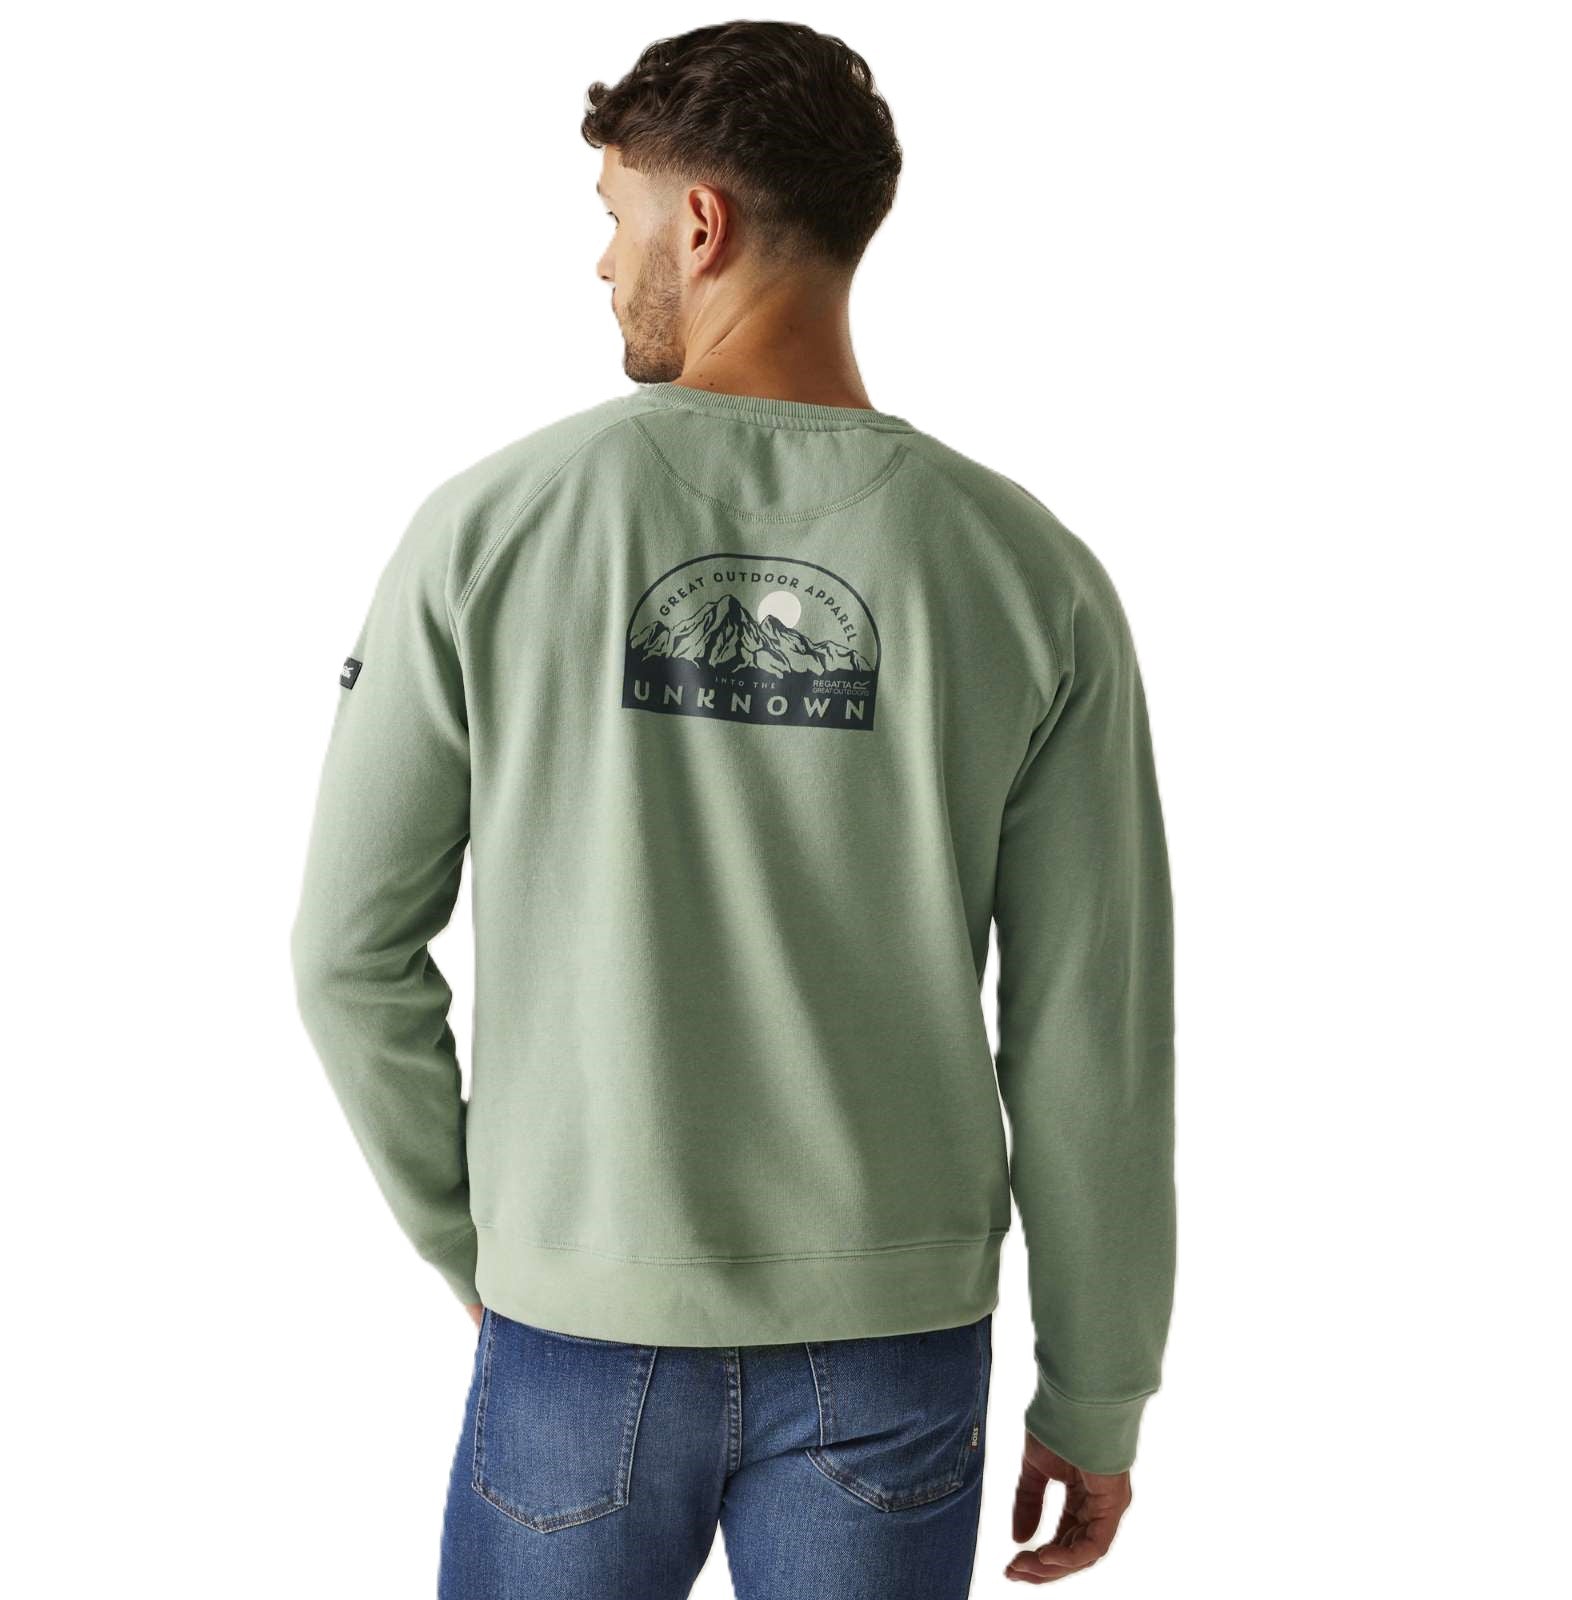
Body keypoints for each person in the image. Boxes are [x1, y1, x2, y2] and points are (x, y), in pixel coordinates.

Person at [289, 20, 1176, 1599]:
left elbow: (348, 957)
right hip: (891, 1339)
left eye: (614, 216)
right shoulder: (1028, 575)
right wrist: (1097, 1390)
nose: (602, 261)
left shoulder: (491, 529)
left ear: (698, 224)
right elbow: (1088, 1034)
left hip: (579, 1320)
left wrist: (482, 1244)